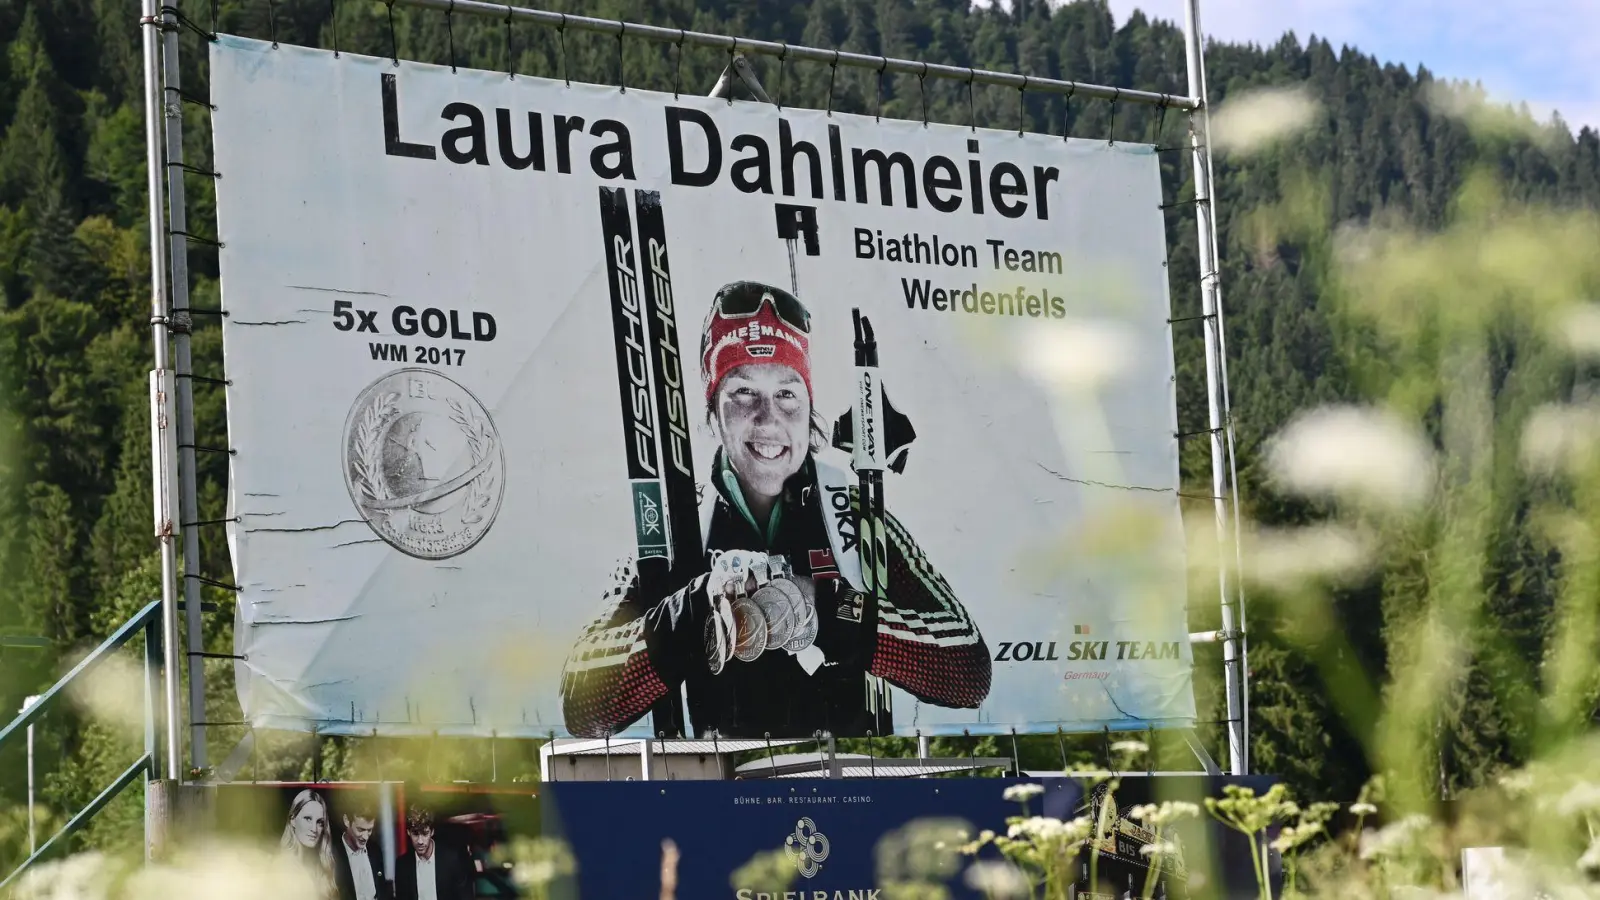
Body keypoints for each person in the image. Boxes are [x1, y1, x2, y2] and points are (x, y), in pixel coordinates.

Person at [560, 281, 990, 739]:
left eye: (787, 394)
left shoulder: (852, 513)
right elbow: (581, 704)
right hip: (722, 790)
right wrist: (697, 609)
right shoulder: (676, 527)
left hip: (847, 784)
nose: (768, 419)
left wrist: (827, 609)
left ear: (809, 408)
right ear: (713, 412)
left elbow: (967, 670)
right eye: (743, 392)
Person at [394, 806, 474, 900]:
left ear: (432, 832)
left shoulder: (452, 859)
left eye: (425, 834)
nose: (420, 841)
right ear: (408, 832)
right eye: (415, 834)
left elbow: (465, 896)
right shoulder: (402, 864)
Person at [280, 788, 338, 900]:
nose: (314, 829)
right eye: (307, 819)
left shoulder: (324, 868)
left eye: (320, 822)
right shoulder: (282, 868)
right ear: (293, 820)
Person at [333, 797, 392, 900]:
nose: (365, 837)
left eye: (369, 830)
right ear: (346, 821)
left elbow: (382, 890)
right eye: (360, 829)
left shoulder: (375, 850)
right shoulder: (332, 854)